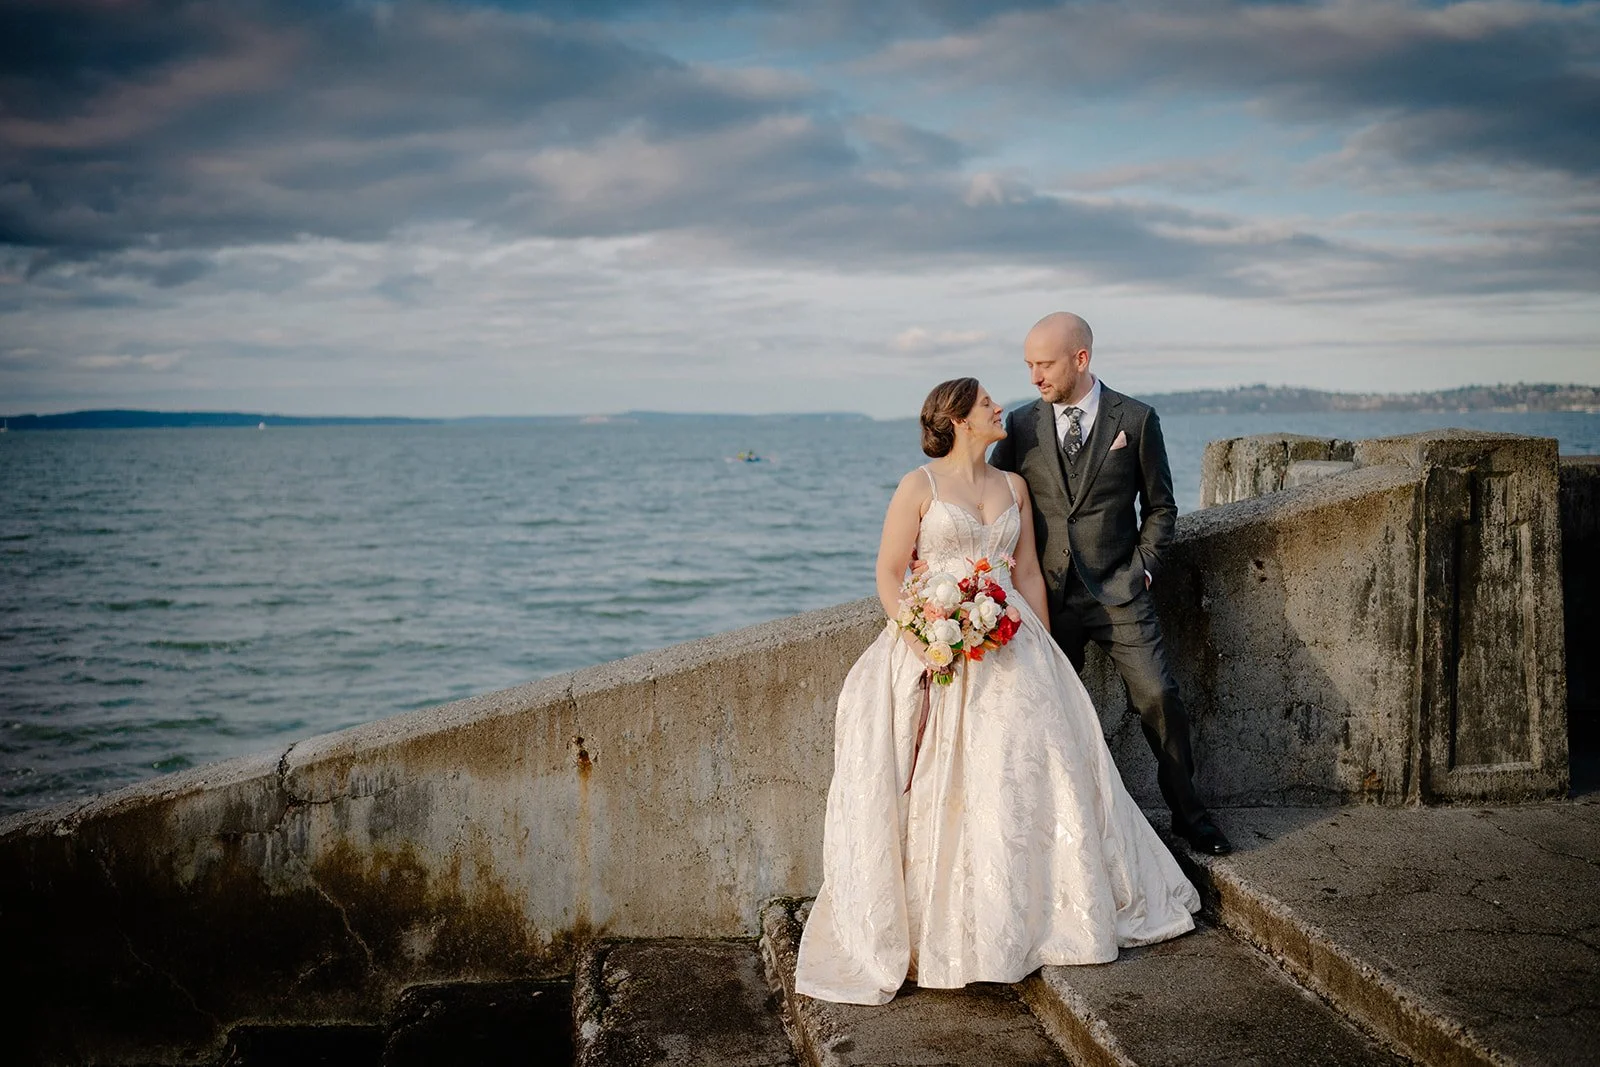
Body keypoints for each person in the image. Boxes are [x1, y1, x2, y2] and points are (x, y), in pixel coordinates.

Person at [794, 377, 1200, 1006]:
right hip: (936, 645)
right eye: (984, 402)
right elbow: (890, 570)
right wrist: (919, 633)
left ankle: (1039, 912)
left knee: (1024, 778)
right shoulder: (918, 487)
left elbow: (1030, 571)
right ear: (958, 418)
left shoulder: (1013, 487)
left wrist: (1044, 653)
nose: (997, 407)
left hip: (1013, 640)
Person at [989, 312, 1232, 857]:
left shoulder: (1138, 420)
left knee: (1159, 696)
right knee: (1039, 709)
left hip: (1121, 592)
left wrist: (1143, 567)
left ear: (1081, 358)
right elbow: (991, 494)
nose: (1034, 377)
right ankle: (1044, 829)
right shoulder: (1023, 426)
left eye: (1044, 364)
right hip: (1045, 597)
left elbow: (1162, 507)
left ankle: (1191, 819)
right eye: (1028, 365)